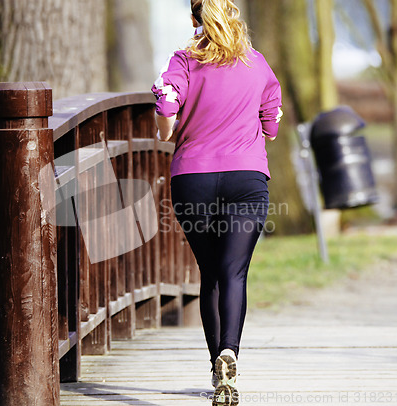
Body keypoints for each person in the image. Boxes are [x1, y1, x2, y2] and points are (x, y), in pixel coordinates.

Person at [151, 0, 282, 405]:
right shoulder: (256, 63)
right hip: (246, 178)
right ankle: (230, 352)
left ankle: (215, 366)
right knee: (234, 273)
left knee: (209, 274)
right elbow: (272, 125)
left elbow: (166, 111)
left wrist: (166, 121)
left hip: (194, 179)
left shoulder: (184, 60)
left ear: (195, 21)